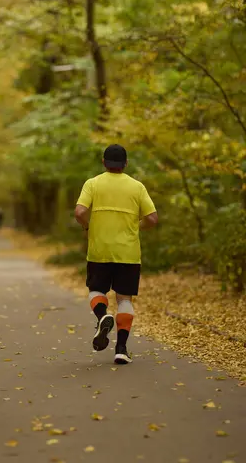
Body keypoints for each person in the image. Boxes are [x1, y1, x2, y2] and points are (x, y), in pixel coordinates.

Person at [75, 144, 158, 364]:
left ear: (103, 162)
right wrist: (137, 226)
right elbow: (152, 218)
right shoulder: (137, 187)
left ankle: (103, 317)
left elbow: (80, 212)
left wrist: (87, 227)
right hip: (128, 252)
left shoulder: (92, 184)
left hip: (99, 249)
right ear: (126, 164)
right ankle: (121, 349)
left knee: (96, 290)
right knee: (124, 299)